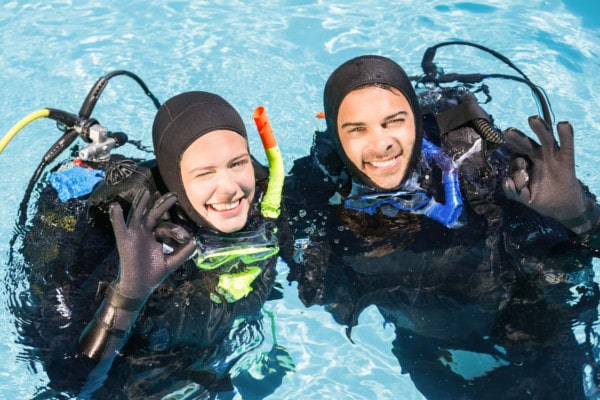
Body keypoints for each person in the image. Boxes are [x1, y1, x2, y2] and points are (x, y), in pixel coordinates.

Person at [282, 54, 600, 399]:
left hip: (528, 317)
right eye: (357, 129)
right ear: (336, 134)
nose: (381, 143)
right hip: (426, 345)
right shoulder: (312, 194)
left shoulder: (481, 169)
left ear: (416, 122)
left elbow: (585, 250)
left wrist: (576, 213)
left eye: (394, 121)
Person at [14, 91, 293, 399]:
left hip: (201, 364)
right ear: (175, 179)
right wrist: (129, 294)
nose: (230, 189)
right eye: (204, 173)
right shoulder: (141, 247)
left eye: (237, 164)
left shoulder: (261, 204)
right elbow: (70, 381)